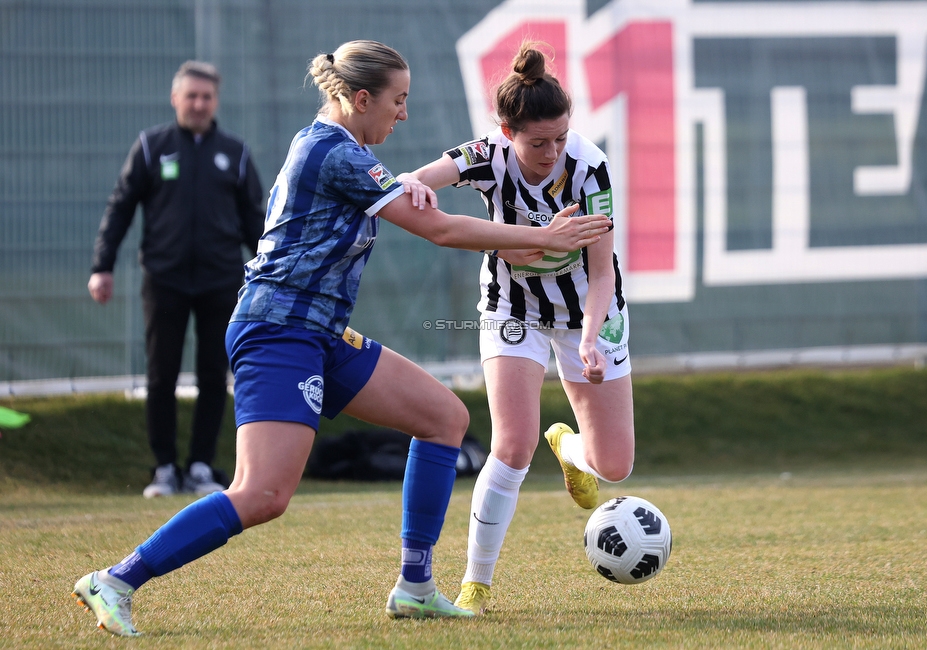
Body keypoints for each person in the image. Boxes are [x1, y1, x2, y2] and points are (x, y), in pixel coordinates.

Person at [71, 40, 611, 636]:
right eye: (397, 100)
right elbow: (436, 229)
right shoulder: (334, 153)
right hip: (279, 332)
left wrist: (428, 194)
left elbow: (418, 202)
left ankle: (416, 587)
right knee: (263, 494)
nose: (402, 114)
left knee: (444, 419)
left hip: (320, 333)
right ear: (360, 98)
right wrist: (541, 239)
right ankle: (115, 580)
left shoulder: (342, 148)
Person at [398, 42, 635, 615]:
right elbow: (419, 179)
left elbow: (602, 271)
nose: (551, 152)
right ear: (507, 131)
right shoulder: (487, 154)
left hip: (588, 314)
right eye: (536, 142)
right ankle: (475, 586)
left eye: (559, 137)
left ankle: (572, 451)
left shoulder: (591, 167)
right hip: (512, 311)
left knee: (615, 465)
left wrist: (588, 337)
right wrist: (418, 185)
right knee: (510, 444)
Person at [88, 61, 265, 498]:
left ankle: (201, 468)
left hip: (221, 280)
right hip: (163, 279)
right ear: (176, 99)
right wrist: (101, 266)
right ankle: (164, 469)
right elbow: (121, 208)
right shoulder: (152, 147)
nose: (199, 104)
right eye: (192, 96)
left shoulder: (236, 153)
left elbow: (255, 223)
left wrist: (268, 273)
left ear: (215, 102)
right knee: (160, 375)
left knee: (213, 375)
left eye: (207, 97)